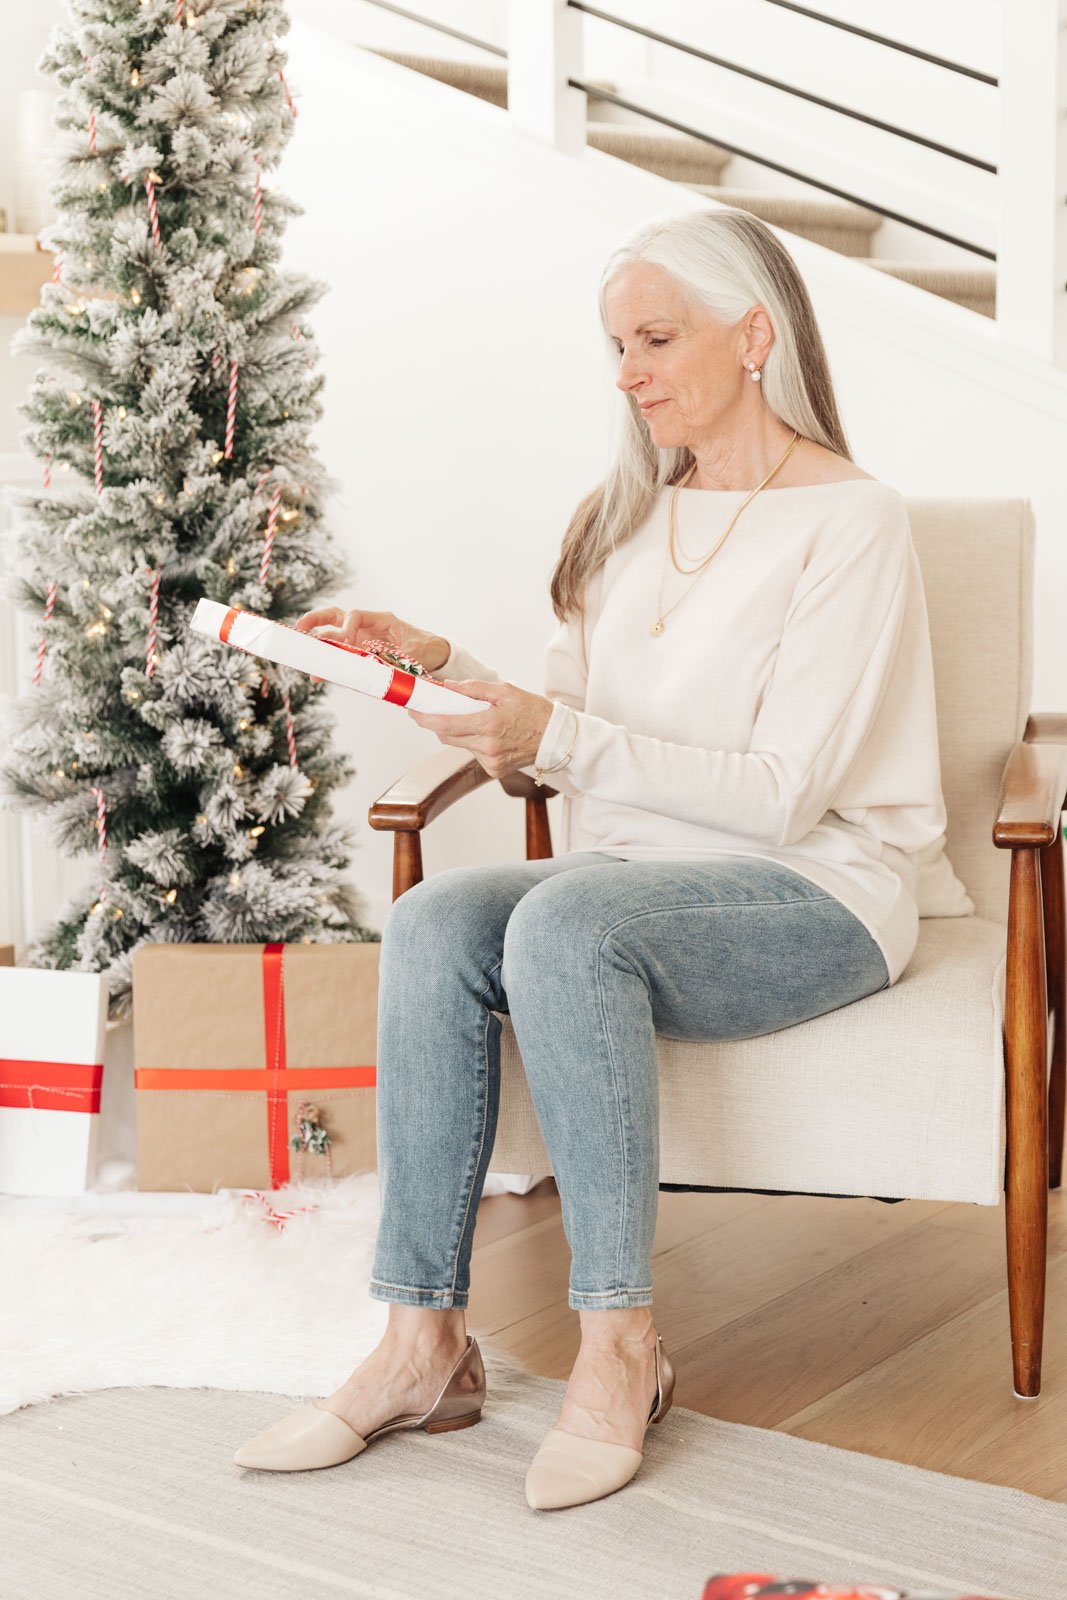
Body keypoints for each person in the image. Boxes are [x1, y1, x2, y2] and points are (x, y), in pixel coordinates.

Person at [232, 207, 951, 1511]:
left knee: (565, 926)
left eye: (656, 337)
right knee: (445, 916)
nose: (628, 371)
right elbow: (561, 739)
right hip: (631, 886)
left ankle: (621, 1346)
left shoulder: (852, 523)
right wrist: (444, 674)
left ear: (755, 334)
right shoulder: (629, 516)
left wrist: (551, 730)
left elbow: (789, 800)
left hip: (816, 893)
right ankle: (419, 1342)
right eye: (618, 344)